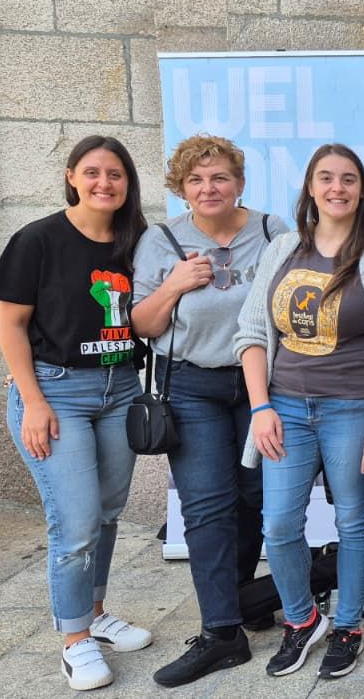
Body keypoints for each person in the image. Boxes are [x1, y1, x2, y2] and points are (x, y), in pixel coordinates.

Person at [235, 143, 364, 680]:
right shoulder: (284, 249)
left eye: (348, 179)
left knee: (353, 519)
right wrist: (261, 407)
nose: (337, 188)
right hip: (284, 407)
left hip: (354, 408)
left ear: (362, 190)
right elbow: (250, 333)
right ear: (311, 187)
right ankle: (302, 619)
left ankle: (348, 627)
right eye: (326, 178)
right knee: (280, 523)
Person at [0, 135, 153, 691]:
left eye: (116, 174)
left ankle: (95, 612)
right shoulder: (39, 239)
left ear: (128, 183)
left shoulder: (137, 241)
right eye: (93, 172)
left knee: (106, 513)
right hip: (57, 394)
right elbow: (10, 325)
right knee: (75, 522)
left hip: (121, 389)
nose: (104, 182)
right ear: (71, 176)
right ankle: (73, 641)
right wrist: (33, 401)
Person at [131, 134, 290, 687]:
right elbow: (145, 326)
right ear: (181, 188)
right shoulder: (162, 241)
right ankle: (222, 633)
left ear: (239, 183)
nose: (209, 187)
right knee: (206, 506)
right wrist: (173, 285)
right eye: (196, 180)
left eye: (219, 177)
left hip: (263, 386)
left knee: (256, 497)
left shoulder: (274, 233)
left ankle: (242, 600)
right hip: (193, 386)